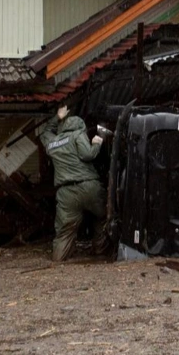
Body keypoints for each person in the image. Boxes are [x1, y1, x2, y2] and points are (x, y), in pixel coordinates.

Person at [40, 104, 105, 261]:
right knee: (104, 218)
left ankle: (59, 259)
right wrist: (97, 143)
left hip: (66, 192)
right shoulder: (77, 134)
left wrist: (58, 117)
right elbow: (87, 155)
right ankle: (101, 252)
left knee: (64, 230)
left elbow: (45, 132)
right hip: (89, 186)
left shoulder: (53, 143)